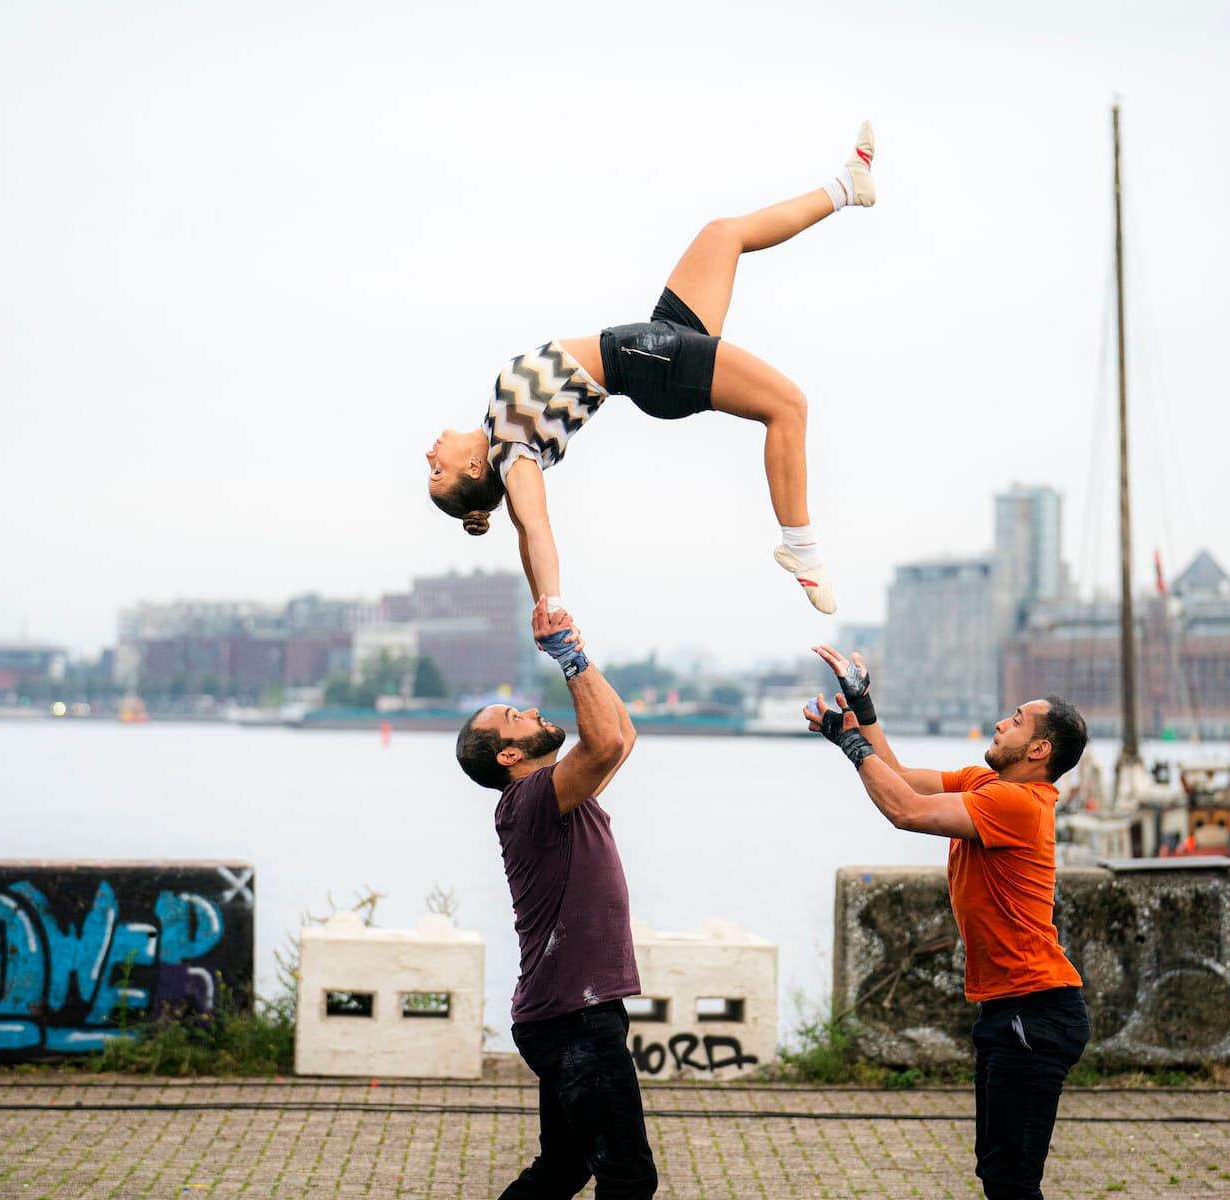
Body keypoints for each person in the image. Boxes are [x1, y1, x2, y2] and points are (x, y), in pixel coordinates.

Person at [426, 122, 880, 616]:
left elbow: (520, 536)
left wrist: (539, 597)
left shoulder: (497, 427)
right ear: (472, 470)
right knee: (789, 405)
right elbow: (536, 530)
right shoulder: (513, 453)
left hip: (652, 339)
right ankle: (802, 549)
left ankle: (847, 185)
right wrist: (553, 607)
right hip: (649, 363)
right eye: (435, 470)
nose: (430, 453)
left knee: (722, 234)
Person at [802, 644, 1090, 1200]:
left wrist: (849, 739)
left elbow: (905, 812)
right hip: (1011, 1009)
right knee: (999, 1176)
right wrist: (863, 706)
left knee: (1011, 1181)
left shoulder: (1020, 804)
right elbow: (904, 780)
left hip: (1035, 1010)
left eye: (1016, 720)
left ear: (1039, 747)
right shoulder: (988, 786)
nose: (1001, 722)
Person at [454, 598, 655, 1199]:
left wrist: (579, 651)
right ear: (509, 756)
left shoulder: (559, 795)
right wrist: (566, 654)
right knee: (627, 1178)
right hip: (572, 1018)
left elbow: (618, 737)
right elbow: (601, 746)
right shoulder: (528, 803)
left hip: (572, 1012)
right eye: (517, 716)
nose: (533, 709)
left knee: (565, 1168)